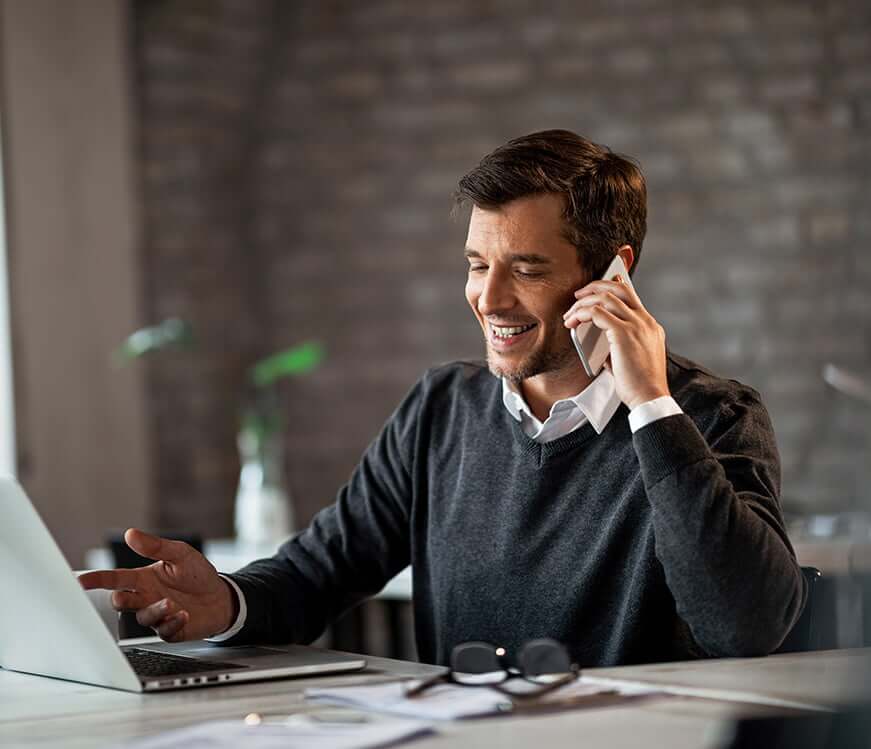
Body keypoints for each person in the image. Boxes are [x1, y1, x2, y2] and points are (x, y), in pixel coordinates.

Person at [79, 129, 806, 667]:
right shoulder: (440, 409)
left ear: (613, 273)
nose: (488, 298)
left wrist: (649, 403)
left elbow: (744, 626)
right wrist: (226, 601)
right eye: (475, 264)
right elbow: (316, 572)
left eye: (524, 268)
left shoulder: (709, 416)